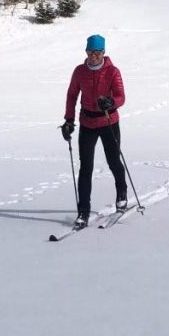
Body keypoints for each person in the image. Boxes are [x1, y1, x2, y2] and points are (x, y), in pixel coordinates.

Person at [61, 34, 127, 229]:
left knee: (114, 160)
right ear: (86, 52)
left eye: (97, 52)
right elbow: (72, 95)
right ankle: (83, 211)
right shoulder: (79, 71)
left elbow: (121, 96)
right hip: (87, 122)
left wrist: (111, 102)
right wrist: (68, 120)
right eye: (90, 52)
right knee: (85, 167)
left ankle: (121, 195)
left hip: (108, 121)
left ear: (103, 52)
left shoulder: (113, 72)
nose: (94, 56)